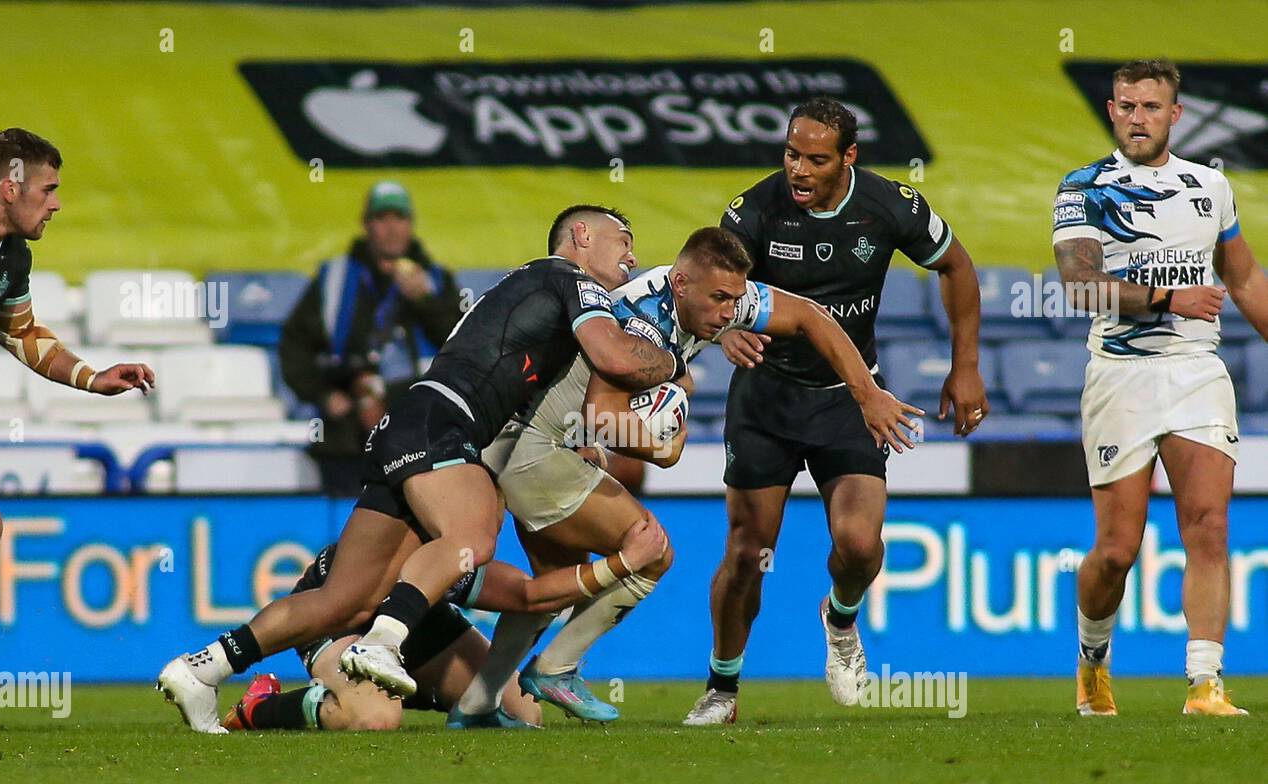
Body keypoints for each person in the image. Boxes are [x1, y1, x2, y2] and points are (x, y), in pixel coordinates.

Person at [158, 205, 686, 733]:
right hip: (445, 422)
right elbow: (615, 357)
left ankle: (203, 669)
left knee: (343, 600)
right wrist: (676, 365)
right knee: (473, 535)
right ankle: (384, 643)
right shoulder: (567, 276)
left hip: (411, 421)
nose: (632, 256)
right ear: (582, 235)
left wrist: (581, 439)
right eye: (623, 241)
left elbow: (533, 396)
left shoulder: (533, 295)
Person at [471, 226, 920, 724]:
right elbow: (601, 416)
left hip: (525, 440)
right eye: (720, 301)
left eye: (735, 301)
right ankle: (556, 668)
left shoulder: (700, 299)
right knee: (650, 551)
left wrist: (866, 392)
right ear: (681, 285)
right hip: (536, 450)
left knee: (556, 586)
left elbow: (812, 317)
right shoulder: (643, 323)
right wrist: (662, 448)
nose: (730, 314)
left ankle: (475, 705)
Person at [688, 96, 989, 726]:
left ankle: (841, 618)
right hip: (766, 398)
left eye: (815, 159)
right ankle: (722, 687)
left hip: (852, 399)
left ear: (848, 158)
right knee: (747, 553)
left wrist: (965, 366)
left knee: (858, 545)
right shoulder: (753, 210)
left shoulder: (891, 207)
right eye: (791, 154)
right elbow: (698, 286)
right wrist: (720, 333)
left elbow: (956, 267)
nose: (798, 170)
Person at [1052, 58, 1266, 717]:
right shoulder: (1083, 188)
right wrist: (1172, 297)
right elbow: (1080, 282)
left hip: (1198, 371)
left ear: (1175, 115)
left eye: (1150, 107)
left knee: (1208, 524)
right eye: (1125, 106)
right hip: (1120, 377)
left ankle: (1205, 684)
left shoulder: (1210, 187)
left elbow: (1247, 278)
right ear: (1111, 112)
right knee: (1117, 552)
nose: (1137, 117)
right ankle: (1092, 660)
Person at [0, 129, 154, 733]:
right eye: (48, 189)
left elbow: (20, 332)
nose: (56, 203)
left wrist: (93, 377)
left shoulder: (10, 257)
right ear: (10, 185)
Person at [219, 510, 666, 732]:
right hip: (344, 619)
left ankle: (415, 687)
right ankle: (263, 707)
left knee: (523, 713)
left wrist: (623, 563)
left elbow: (527, 595)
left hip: (418, 622)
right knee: (375, 718)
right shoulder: (417, 522)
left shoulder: (459, 538)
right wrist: (624, 562)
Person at [280, 181, 461, 495]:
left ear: (411, 224)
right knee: (349, 530)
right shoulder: (335, 278)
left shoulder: (434, 279)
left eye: (399, 218)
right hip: (347, 437)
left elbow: (461, 346)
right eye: (381, 219)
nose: (391, 229)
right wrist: (323, 395)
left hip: (417, 428)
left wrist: (425, 301)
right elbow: (294, 345)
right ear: (366, 225)